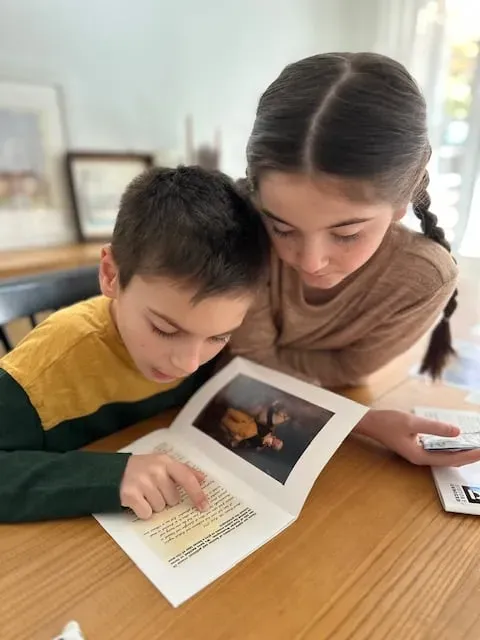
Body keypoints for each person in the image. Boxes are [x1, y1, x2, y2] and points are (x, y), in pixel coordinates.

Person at [229, 52, 480, 468]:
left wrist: (268, 359)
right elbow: (248, 360)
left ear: (402, 202)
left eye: (346, 234)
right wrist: (359, 421)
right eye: (283, 228)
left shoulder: (424, 277)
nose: (310, 261)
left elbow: (347, 369)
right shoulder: (237, 226)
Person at [0, 166, 270, 522]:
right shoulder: (42, 371)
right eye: (164, 329)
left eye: (218, 337)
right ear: (111, 275)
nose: (189, 363)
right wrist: (111, 476)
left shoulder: (204, 348)